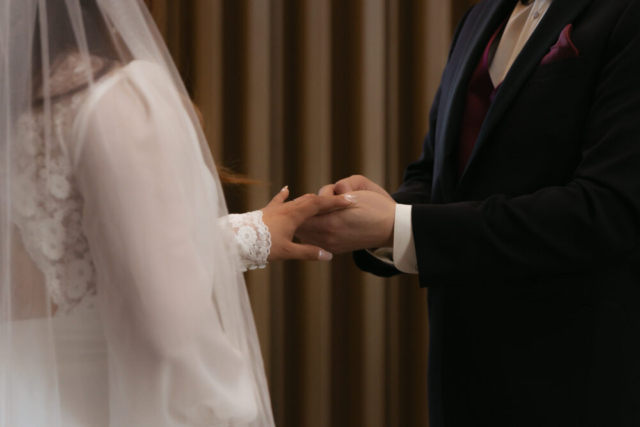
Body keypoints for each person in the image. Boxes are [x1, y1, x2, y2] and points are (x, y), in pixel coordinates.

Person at [0, 0, 349, 425]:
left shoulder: (14, 104)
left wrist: (247, 235)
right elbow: (169, 331)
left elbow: (64, 265)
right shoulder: (115, 101)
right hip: (100, 404)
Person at [298, 0, 640, 425]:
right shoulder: (479, 17)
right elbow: (436, 175)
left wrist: (401, 226)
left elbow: (608, 211)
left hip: (574, 384)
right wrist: (380, 216)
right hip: (458, 379)